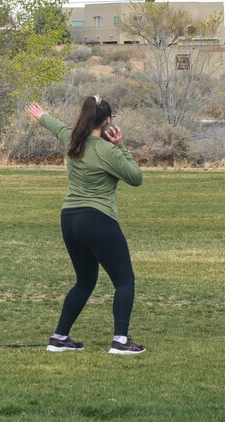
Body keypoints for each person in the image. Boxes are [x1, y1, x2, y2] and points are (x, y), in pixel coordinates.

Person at [27, 95, 146, 354]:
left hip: (69, 219)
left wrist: (42, 115)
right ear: (108, 121)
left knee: (84, 281)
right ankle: (121, 342)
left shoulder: (72, 140)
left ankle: (59, 337)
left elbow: (56, 126)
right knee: (125, 280)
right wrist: (120, 145)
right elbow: (136, 178)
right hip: (97, 218)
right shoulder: (108, 150)